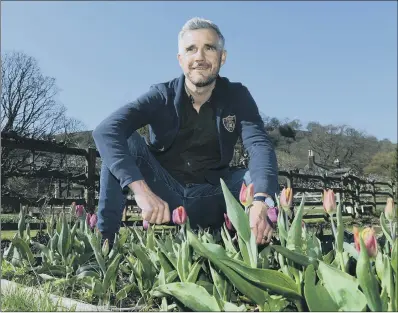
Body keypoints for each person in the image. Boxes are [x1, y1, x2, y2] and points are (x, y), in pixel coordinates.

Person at [92, 17, 279, 246]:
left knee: (259, 180)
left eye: (209, 48)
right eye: (191, 49)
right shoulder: (161, 95)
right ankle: (104, 244)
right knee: (124, 141)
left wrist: (261, 199)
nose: (199, 57)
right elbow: (105, 131)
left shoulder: (237, 96)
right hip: (165, 195)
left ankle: (254, 253)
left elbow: (259, 145)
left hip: (213, 196)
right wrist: (142, 192)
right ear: (181, 60)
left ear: (222, 57)